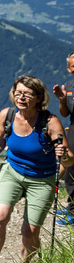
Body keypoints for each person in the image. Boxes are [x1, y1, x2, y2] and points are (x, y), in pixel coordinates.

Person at [0, 75, 73, 263]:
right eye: (18, 93)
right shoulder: (7, 115)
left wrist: (64, 156)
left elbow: (68, 161)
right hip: (12, 172)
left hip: (42, 178)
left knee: (30, 230)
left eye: (27, 94)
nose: (21, 98)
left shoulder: (50, 122)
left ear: (39, 97)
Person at [51, 52, 74, 218]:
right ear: (69, 69)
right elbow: (65, 113)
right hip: (73, 127)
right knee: (71, 166)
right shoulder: (69, 86)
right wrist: (62, 100)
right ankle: (72, 208)